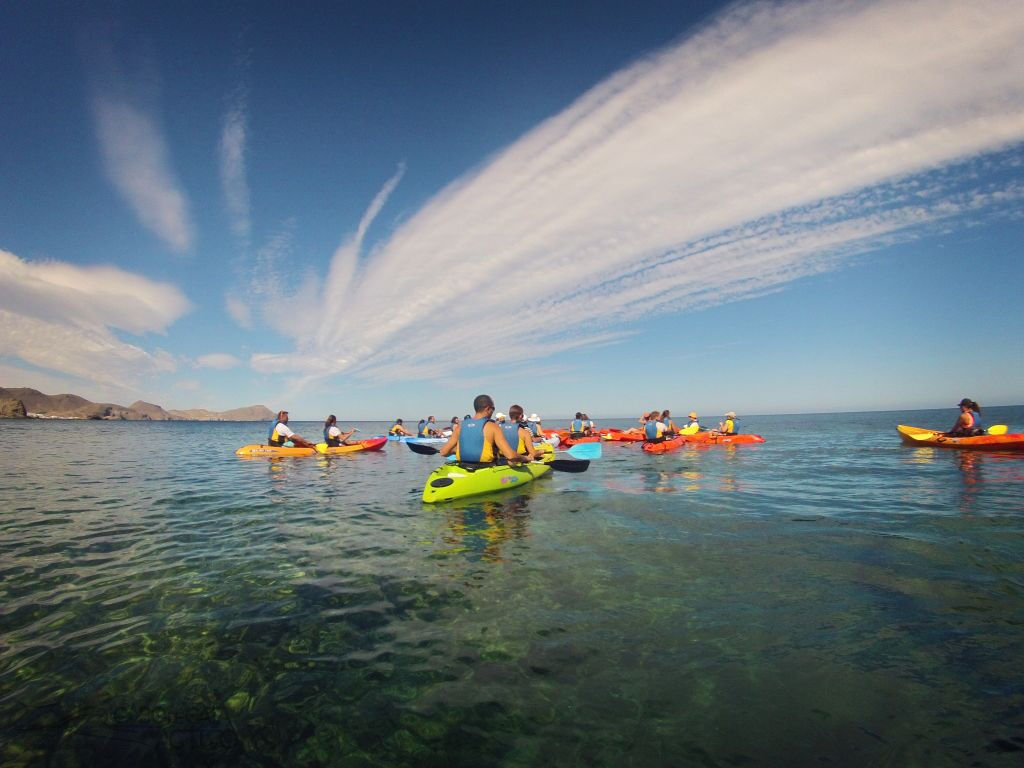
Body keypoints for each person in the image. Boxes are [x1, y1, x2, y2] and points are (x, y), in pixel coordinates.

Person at [440, 394, 530, 464]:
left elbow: (443, 452)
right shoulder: (493, 427)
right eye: (493, 409)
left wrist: (456, 450)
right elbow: (511, 455)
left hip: (462, 466)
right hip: (485, 468)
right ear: (488, 409)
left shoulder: (460, 426)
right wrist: (526, 458)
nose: (493, 411)